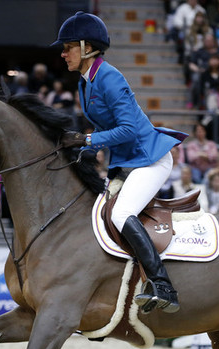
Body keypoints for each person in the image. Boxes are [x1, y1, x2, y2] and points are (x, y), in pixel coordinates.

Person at [55, 11, 186, 313]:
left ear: (88, 47)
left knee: (121, 213)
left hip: (149, 159)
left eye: (69, 47)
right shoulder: (85, 83)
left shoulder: (110, 77)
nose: (63, 54)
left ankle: (163, 285)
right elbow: (105, 125)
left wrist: (88, 140)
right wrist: (89, 146)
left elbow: (127, 129)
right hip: (126, 162)